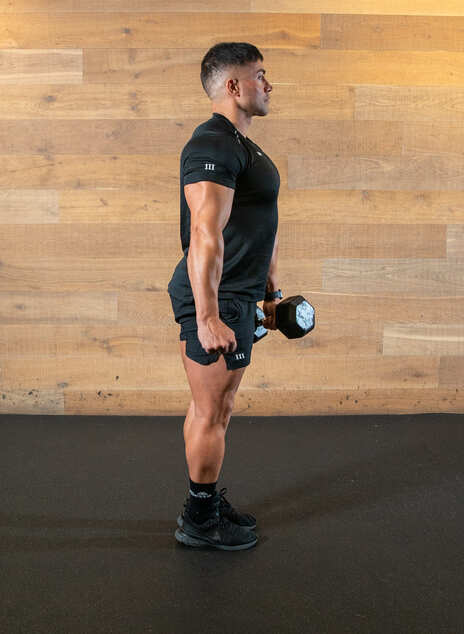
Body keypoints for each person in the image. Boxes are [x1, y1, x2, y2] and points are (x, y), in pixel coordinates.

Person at [167, 42, 281, 550]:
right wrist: (209, 315)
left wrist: (271, 294)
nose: (268, 84)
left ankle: (205, 500)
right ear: (233, 87)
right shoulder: (213, 144)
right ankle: (199, 521)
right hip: (216, 296)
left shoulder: (241, 146)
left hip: (238, 293)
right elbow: (205, 233)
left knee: (217, 406)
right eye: (259, 75)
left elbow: (260, 227)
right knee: (212, 410)